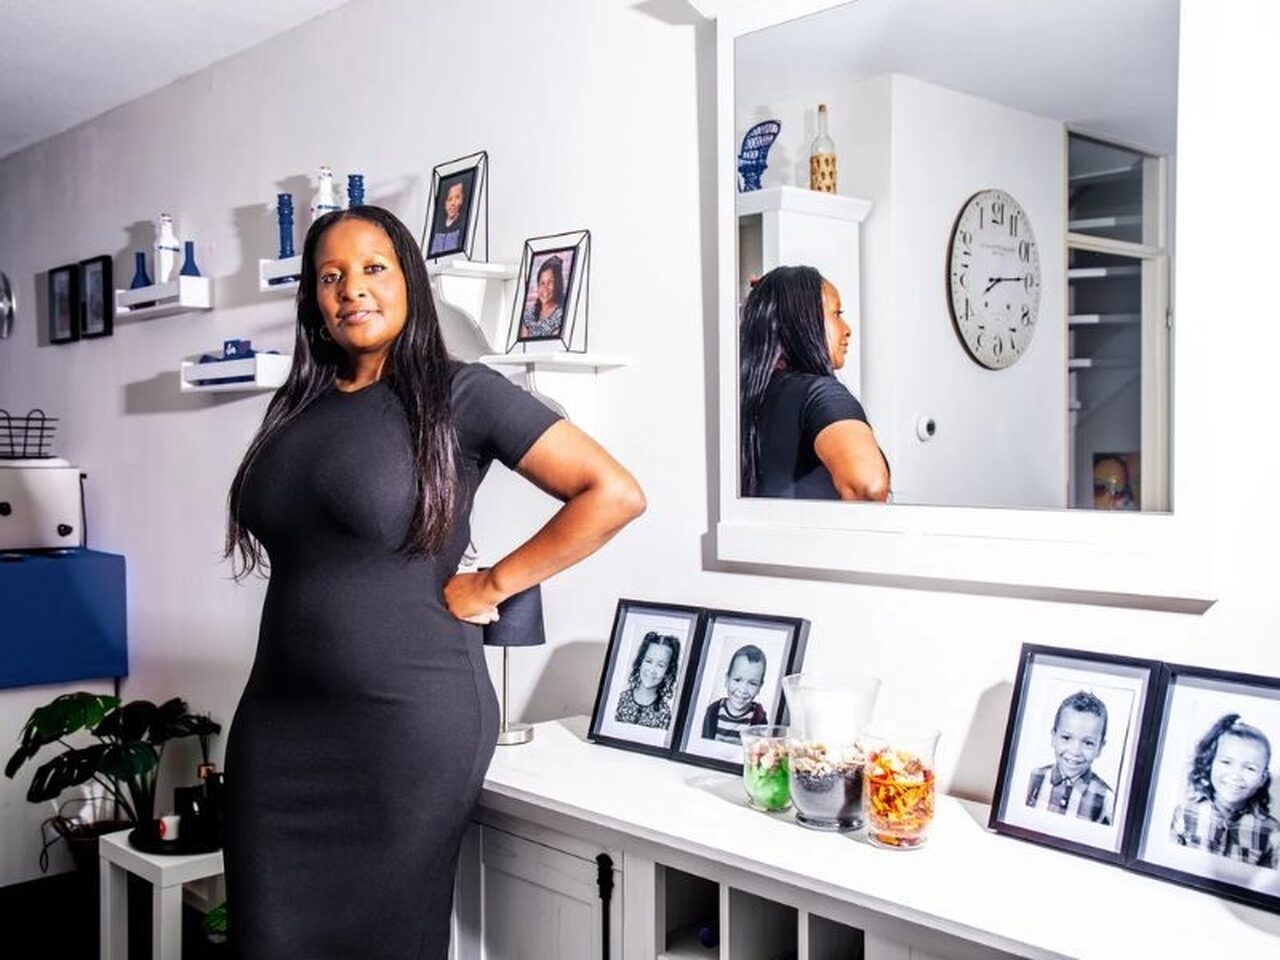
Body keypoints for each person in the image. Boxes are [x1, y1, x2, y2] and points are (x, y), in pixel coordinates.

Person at [221, 204, 645, 958]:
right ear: (314, 299)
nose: (352, 289)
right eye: (331, 276)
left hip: (404, 726)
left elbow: (612, 493)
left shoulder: (462, 392)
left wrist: (493, 584)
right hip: (278, 727)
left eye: (373, 268)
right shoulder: (298, 407)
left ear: (409, 279)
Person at [739, 265, 889, 501]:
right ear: (804, 319)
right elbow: (868, 485)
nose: (847, 329)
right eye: (837, 313)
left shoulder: (747, 400)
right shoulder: (822, 394)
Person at [1170, 713, 1278, 867]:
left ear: (1262, 778)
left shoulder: (1271, 832)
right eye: (1226, 762)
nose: (1236, 775)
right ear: (1211, 764)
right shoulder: (1183, 813)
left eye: (1250, 768)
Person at [1025, 690, 1115, 824]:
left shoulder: (1107, 800)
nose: (1075, 751)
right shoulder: (1031, 780)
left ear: (1100, 748)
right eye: (1066, 738)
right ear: (1053, 737)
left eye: (1088, 743)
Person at [701, 644, 769, 744]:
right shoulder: (713, 711)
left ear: (760, 687)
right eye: (737, 680)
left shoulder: (759, 718)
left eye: (752, 683)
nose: (743, 689)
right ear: (727, 680)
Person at [613, 631, 681, 730]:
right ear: (640, 662)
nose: (652, 670)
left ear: (668, 671)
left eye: (660, 665)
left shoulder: (664, 714)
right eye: (649, 661)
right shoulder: (619, 700)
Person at [520, 255, 566, 339]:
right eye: (542, 283)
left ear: (558, 284)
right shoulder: (528, 315)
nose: (545, 288)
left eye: (550, 282)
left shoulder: (561, 316)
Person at [427, 178, 467, 257]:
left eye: (457, 197)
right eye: (449, 199)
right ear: (445, 203)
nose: (453, 203)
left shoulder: (463, 227)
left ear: (463, 199)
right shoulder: (437, 228)